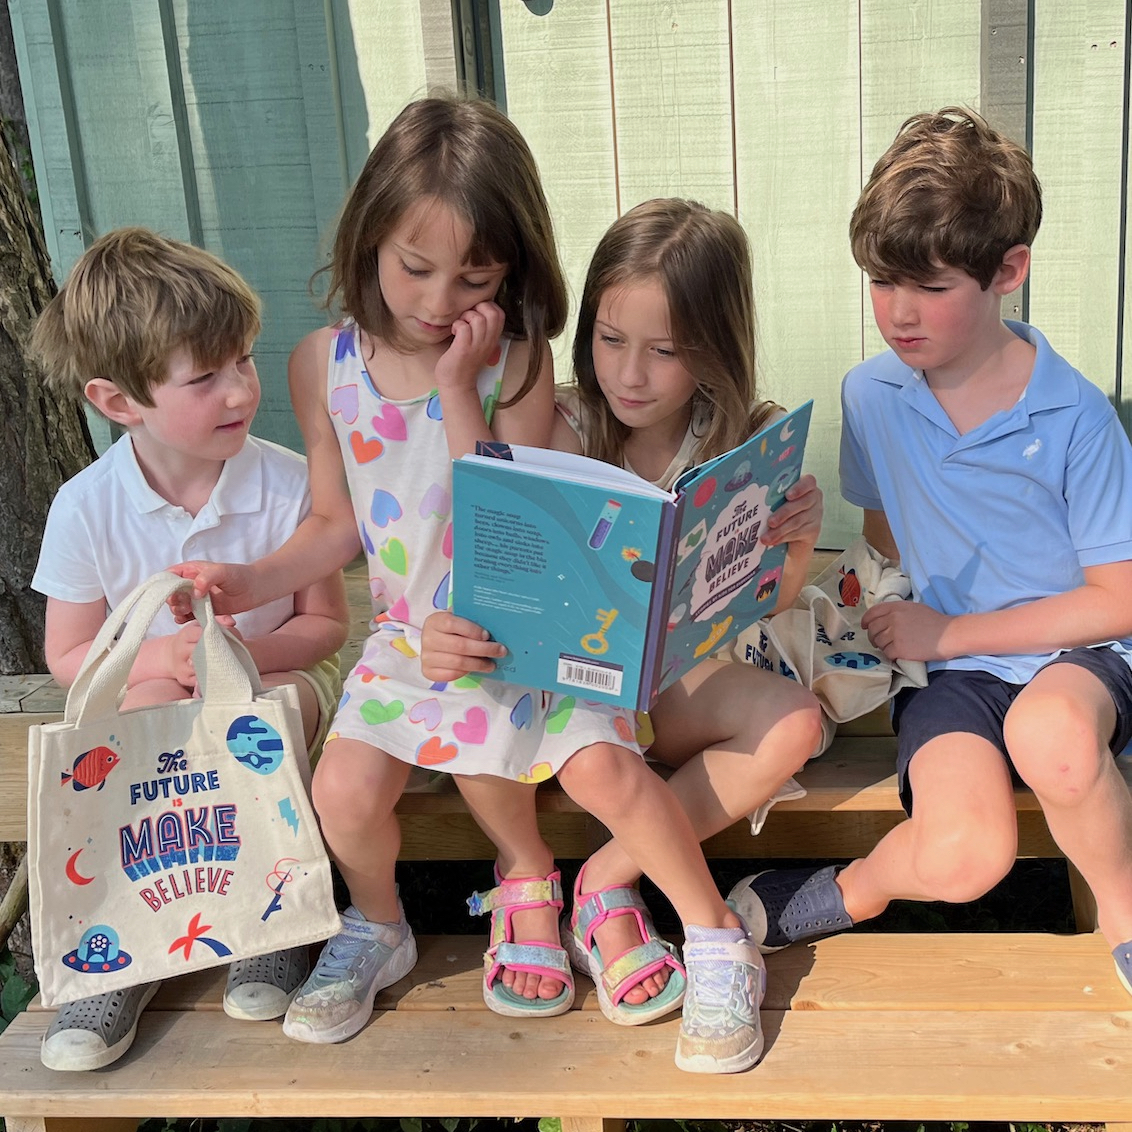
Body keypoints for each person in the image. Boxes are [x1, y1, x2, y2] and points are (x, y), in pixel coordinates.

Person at [729, 108, 1132, 997]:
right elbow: (883, 535)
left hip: (1082, 657)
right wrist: (856, 613)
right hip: (953, 676)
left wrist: (947, 631)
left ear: (1008, 272)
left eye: (932, 286)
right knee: (961, 856)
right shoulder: (871, 396)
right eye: (880, 281)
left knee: (1053, 739)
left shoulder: (1076, 416)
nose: (899, 312)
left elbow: (1121, 598)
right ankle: (849, 891)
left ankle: (1125, 916)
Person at [421, 198, 825, 1072]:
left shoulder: (747, 439)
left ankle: (608, 876)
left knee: (798, 723)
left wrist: (791, 544)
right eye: (610, 340)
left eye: (666, 350)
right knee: (582, 751)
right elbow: (489, 505)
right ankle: (642, 909)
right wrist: (459, 390)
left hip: (683, 684)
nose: (630, 374)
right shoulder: (567, 422)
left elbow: (770, 600)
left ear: (713, 346)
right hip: (575, 690)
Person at [29, 227, 349, 1070]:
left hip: (281, 677)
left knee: (256, 717)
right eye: (204, 376)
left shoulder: (287, 483)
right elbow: (69, 655)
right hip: (155, 702)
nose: (240, 388)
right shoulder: (85, 507)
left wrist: (236, 653)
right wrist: (162, 663)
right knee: (144, 718)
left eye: (242, 361)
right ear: (118, 401)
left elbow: (327, 629)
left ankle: (270, 922)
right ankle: (119, 954)